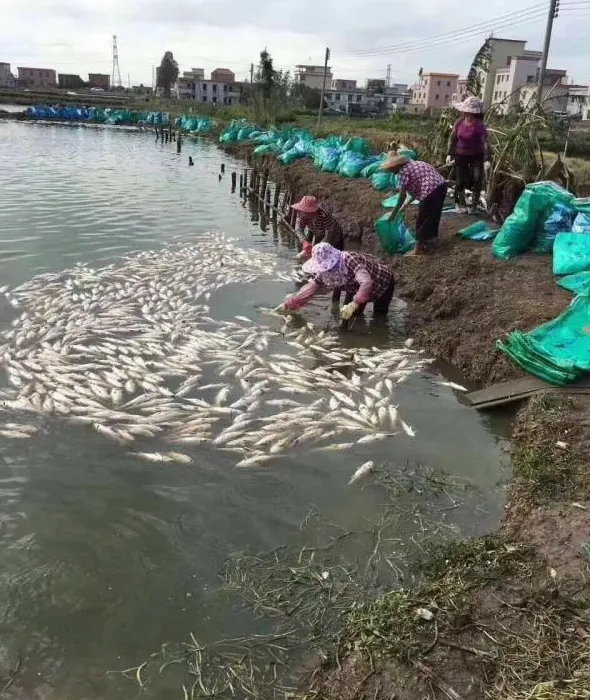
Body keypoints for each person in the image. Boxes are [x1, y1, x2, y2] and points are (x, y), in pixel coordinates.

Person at [279, 242, 395, 322]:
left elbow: (366, 282)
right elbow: (311, 287)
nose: (325, 269)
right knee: (348, 314)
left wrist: (355, 303)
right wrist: (291, 303)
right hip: (354, 288)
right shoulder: (325, 272)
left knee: (379, 315)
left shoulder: (350, 259)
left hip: (382, 283)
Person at [380, 154, 448, 256]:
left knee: (422, 218)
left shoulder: (402, 172)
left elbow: (402, 196)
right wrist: (405, 205)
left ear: (396, 166)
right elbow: (415, 191)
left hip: (430, 189)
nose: (391, 172)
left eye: (391, 169)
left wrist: (393, 214)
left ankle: (417, 250)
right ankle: (430, 240)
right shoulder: (416, 164)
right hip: (441, 186)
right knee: (433, 214)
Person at [446, 96, 491, 215]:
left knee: (477, 178)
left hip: (477, 155)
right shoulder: (459, 122)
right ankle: (460, 204)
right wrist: (450, 153)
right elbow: (453, 138)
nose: (468, 113)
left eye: (471, 111)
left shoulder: (479, 125)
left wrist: (487, 159)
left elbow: (485, 142)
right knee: (460, 180)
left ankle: (474, 205)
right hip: (461, 154)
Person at [291, 195, 344, 260]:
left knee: (333, 254)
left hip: (334, 234)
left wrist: (317, 247)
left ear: (313, 211)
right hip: (317, 232)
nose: (303, 212)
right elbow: (299, 229)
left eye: (306, 211)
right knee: (314, 252)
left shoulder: (324, 215)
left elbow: (329, 235)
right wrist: (304, 241)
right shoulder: (304, 216)